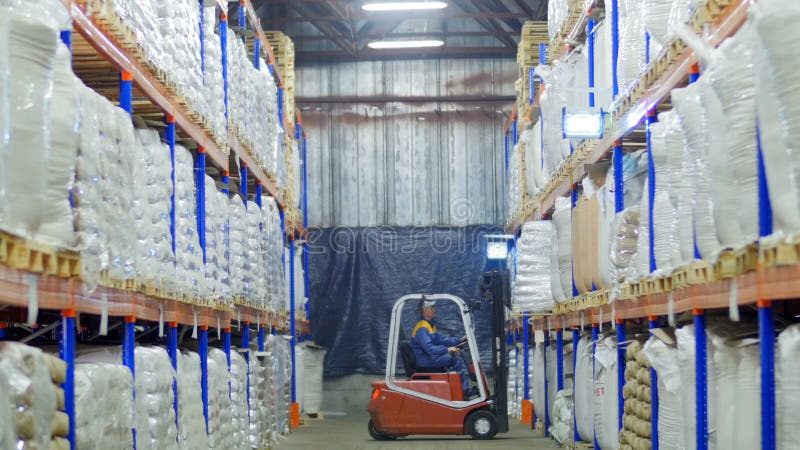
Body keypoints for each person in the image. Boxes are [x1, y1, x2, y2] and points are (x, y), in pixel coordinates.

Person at [409, 299, 478, 399]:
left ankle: (459, 389)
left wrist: (459, 340)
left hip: (429, 357)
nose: (434, 310)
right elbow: (430, 349)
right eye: (431, 308)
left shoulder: (429, 326)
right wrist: (447, 350)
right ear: (425, 311)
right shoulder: (422, 328)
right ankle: (465, 391)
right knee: (454, 360)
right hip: (425, 360)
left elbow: (443, 340)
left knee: (453, 357)